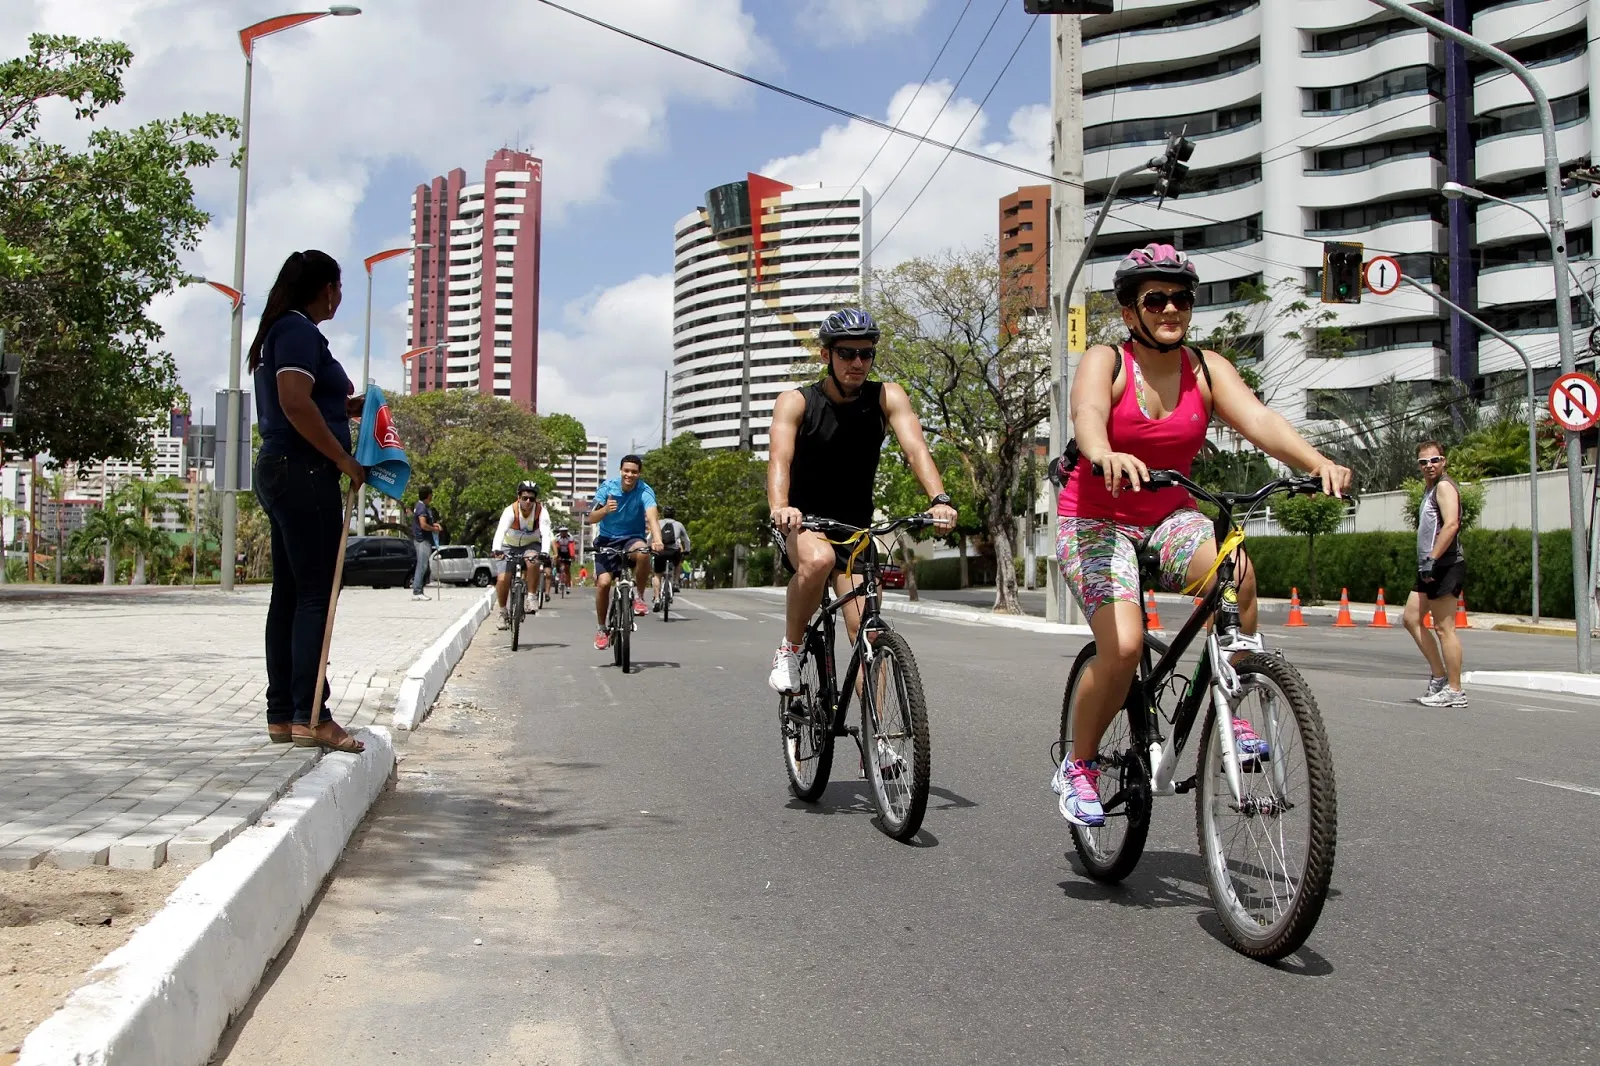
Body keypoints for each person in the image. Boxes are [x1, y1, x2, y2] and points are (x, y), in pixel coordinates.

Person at [1049, 243, 1352, 827]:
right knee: (1127, 648)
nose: (1170, 310)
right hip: (1094, 521)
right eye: (1155, 299)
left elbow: (1261, 420)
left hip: (1168, 518)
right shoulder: (1107, 361)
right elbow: (1086, 413)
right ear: (1129, 310)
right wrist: (1104, 451)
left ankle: (1231, 700)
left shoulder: (1206, 368)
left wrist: (1317, 463)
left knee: (1236, 572)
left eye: (1182, 299)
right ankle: (1078, 765)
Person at [767, 307, 959, 696]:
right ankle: (789, 648)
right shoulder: (797, 401)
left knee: (868, 634)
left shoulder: (887, 396)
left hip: (855, 529)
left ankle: (878, 743)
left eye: (866, 354)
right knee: (818, 560)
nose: (858, 362)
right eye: (847, 353)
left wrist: (939, 498)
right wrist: (781, 507)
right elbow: (779, 458)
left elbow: (916, 448)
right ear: (826, 355)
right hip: (803, 524)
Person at [248, 250, 365, 754]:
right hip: (304, 471)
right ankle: (312, 715)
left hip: (283, 469)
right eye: (338, 289)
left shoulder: (284, 331)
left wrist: (351, 407)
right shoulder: (296, 331)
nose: (340, 298)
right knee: (316, 594)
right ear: (326, 288)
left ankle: (284, 714)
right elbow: (295, 404)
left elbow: (308, 399)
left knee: (291, 595)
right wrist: (344, 459)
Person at [1404, 440, 1467, 707]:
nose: (1429, 465)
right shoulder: (1428, 489)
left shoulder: (1443, 486)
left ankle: (1455, 691)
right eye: (1423, 462)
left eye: (1435, 460)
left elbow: (1451, 524)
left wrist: (1432, 557)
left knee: (1444, 628)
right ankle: (1440, 677)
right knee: (1411, 618)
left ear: (1444, 462)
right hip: (1428, 567)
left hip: (1444, 564)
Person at [587, 454, 664, 650]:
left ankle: (638, 596)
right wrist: (605, 510)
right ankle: (602, 629)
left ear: (639, 473)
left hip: (632, 539)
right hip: (607, 540)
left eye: (634, 472)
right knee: (603, 584)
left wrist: (657, 540)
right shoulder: (607, 488)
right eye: (626, 471)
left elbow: (652, 518)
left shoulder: (645, 491)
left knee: (643, 552)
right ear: (621, 471)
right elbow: (591, 517)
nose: (630, 475)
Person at [492, 480, 553, 628]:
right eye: (524, 498)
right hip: (508, 545)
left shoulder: (541, 511)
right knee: (502, 579)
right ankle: (502, 612)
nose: (528, 501)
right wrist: (496, 549)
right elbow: (501, 531)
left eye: (532, 499)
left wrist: (544, 552)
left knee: (533, 562)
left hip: (531, 544)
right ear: (518, 497)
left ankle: (531, 596)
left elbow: (546, 534)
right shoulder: (510, 511)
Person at [651, 505, 691, 611]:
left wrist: (649, 548)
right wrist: (687, 550)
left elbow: (650, 537)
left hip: (660, 551)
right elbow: (686, 540)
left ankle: (657, 599)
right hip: (673, 552)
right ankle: (676, 583)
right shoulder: (679, 524)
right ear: (674, 514)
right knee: (678, 563)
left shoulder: (658, 523)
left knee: (657, 575)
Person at [411, 485, 440, 599]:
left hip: (425, 540)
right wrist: (434, 529)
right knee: (422, 565)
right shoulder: (421, 508)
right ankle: (417, 591)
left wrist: (435, 525)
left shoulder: (423, 507)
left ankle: (419, 590)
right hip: (422, 540)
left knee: (424, 565)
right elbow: (423, 524)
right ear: (428, 495)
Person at [552, 525, 578, 591]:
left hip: (567, 553)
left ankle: (568, 585)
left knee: (567, 570)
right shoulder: (557, 537)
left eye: (565, 531)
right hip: (560, 552)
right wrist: (556, 555)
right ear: (560, 532)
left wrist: (572, 556)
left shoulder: (570, 538)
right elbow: (555, 547)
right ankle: (557, 573)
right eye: (562, 531)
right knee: (557, 562)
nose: (563, 533)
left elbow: (572, 548)